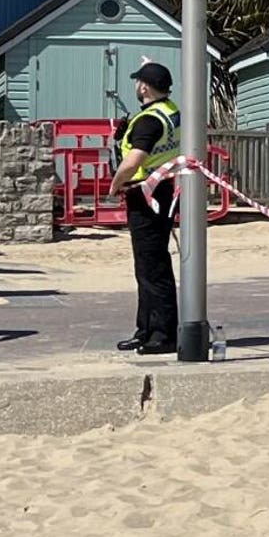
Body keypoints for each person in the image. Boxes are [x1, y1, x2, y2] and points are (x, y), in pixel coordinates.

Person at [112, 61, 182, 355]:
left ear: (143, 87)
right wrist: (149, 65)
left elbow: (133, 161)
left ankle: (163, 335)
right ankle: (146, 330)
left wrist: (115, 185)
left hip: (145, 194)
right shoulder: (169, 110)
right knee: (147, 267)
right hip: (162, 188)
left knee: (153, 268)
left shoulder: (149, 121)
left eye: (138, 81)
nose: (136, 86)